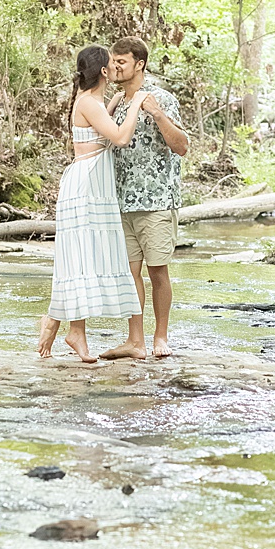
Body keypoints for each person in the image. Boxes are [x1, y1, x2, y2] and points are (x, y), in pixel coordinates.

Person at [38, 44, 147, 362]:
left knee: (87, 257)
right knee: (80, 258)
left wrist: (119, 100)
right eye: (112, 63)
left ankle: (73, 330)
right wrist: (137, 102)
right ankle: (69, 328)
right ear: (103, 71)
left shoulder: (95, 101)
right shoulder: (88, 103)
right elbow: (120, 138)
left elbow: (103, 121)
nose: (116, 67)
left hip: (93, 186)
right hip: (85, 188)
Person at [99, 36, 190, 360]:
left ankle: (160, 337)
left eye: (121, 62)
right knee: (129, 273)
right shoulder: (116, 103)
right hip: (121, 201)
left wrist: (158, 115)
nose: (114, 67)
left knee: (157, 271)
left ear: (139, 64)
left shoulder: (160, 98)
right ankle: (134, 341)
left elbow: (182, 146)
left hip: (156, 201)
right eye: (113, 61)